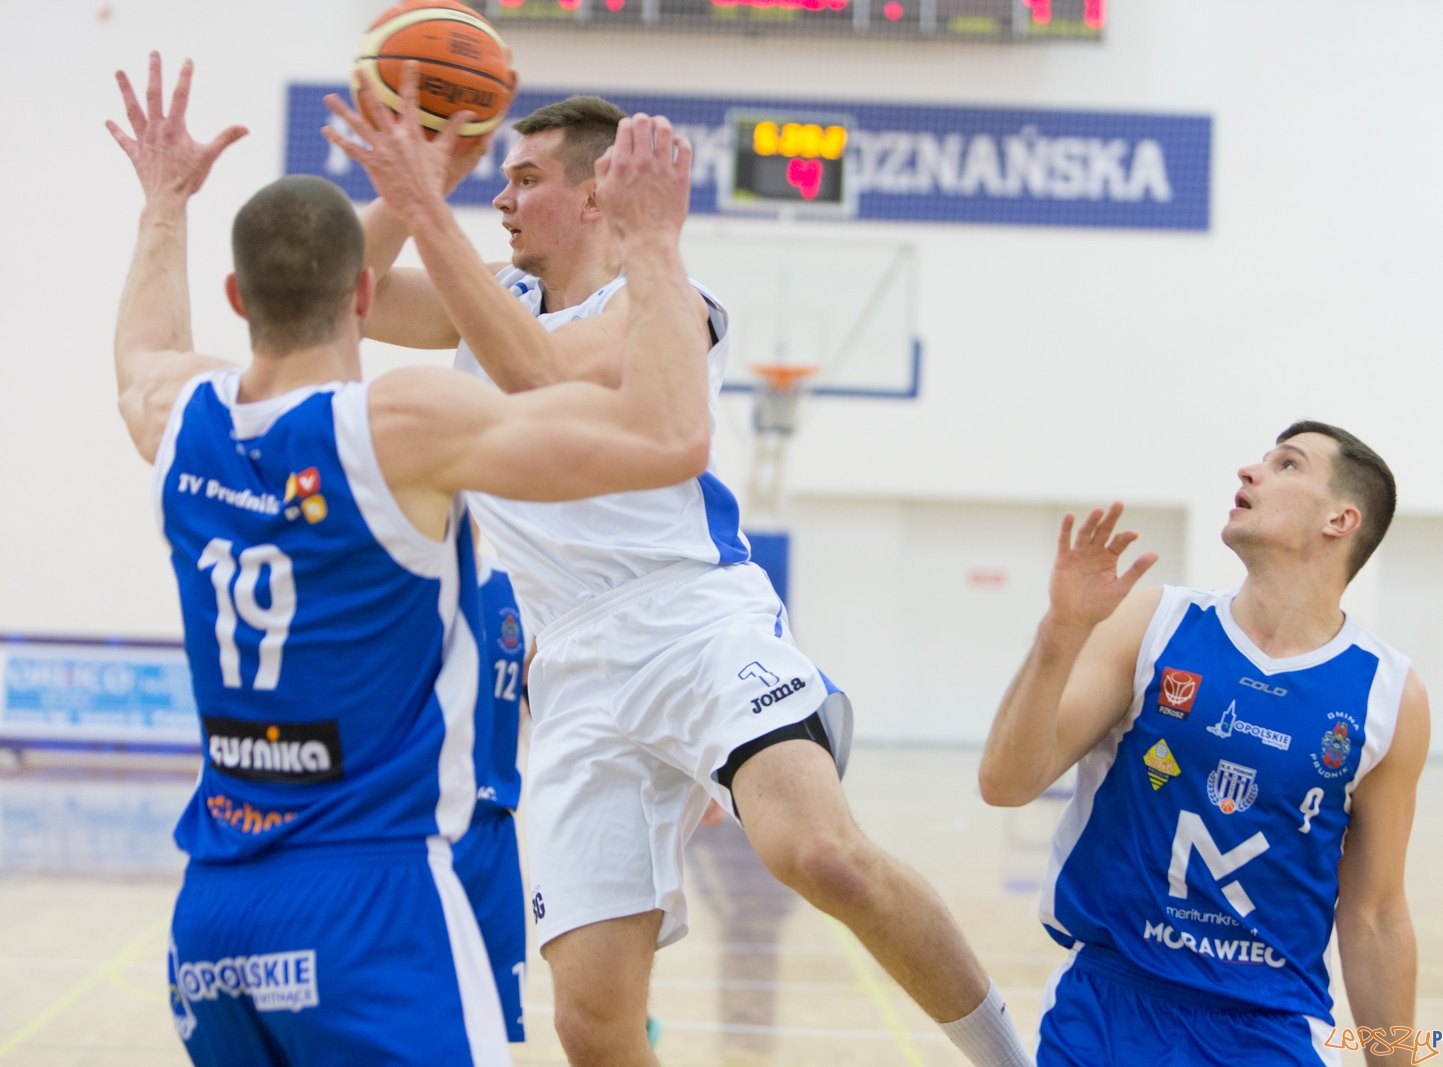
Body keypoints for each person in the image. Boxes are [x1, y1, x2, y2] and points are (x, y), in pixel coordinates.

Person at [326, 92, 1033, 1067]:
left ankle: (1012, 1056)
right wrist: (418, 189)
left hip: (692, 615)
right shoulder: (485, 297)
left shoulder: (663, 302)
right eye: (499, 182)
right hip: (567, 663)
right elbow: (336, 292)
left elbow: (537, 373)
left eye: (524, 179)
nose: (503, 200)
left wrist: (427, 210)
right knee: (592, 1021)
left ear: (594, 198)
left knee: (820, 853)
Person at [107, 53, 713, 1065]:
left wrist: (163, 202)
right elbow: (667, 439)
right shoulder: (403, 424)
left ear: (235, 293)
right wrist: (652, 244)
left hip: (213, 907)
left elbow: (141, 350)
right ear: (361, 292)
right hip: (375, 894)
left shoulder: (183, 415)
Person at [978, 424, 1429, 1067]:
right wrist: (1060, 634)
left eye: (1286, 464)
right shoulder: (1154, 625)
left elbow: (1377, 916)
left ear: (1341, 519)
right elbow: (1006, 784)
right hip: (1107, 1010)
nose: (1250, 471)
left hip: (1268, 1029)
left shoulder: (1389, 695)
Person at [450, 543, 530, 1043]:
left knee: (493, 1033)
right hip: (421, 833)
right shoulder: (405, 576)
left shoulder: (520, 585)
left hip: (494, 832)